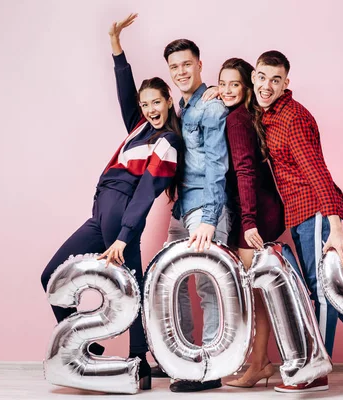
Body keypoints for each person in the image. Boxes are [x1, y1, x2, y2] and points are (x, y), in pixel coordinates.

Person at [40, 14, 183, 391]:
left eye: (157, 101)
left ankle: (141, 364)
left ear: (169, 101)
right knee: (52, 277)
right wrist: (116, 46)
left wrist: (123, 236)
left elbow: (146, 192)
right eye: (145, 102)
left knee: (131, 288)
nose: (151, 108)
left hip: (121, 213)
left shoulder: (166, 141)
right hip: (100, 210)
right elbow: (125, 91)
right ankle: (89, 340)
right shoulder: (140, 127)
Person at [251, 50, 343, 393]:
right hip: (298, 214)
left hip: (315, 210)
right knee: (327, 289)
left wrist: (335, 225)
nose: (267, 85)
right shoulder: (265, 111)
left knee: (321, 291)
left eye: (275, 80)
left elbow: (317, 173)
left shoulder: (293, 118)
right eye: (262, 77)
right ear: (254, 77)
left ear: (286, 83)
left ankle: (315, 370)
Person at [162, 37, 230, 393]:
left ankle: (210, 368)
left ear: (200, 64)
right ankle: (184, 356)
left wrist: (209, 218)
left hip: (206, 206)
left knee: (207, 284)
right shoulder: (183, 107)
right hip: (181, 208)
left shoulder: (211, 107)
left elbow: (218, 167)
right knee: (170, 283)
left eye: (186, 64)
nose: (181, 72)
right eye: (174, 67)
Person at [211, 58, 285, 388]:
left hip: (254, 214)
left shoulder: (238, 120)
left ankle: (259, 364)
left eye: (234, 84)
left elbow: (245, 171)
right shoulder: (243, 114)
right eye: (222, 83)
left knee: (256, 292)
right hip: (258, 210)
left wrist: (249, 221)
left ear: (247, 87)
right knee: (255, 289)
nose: (227, 90)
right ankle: (258, 362)